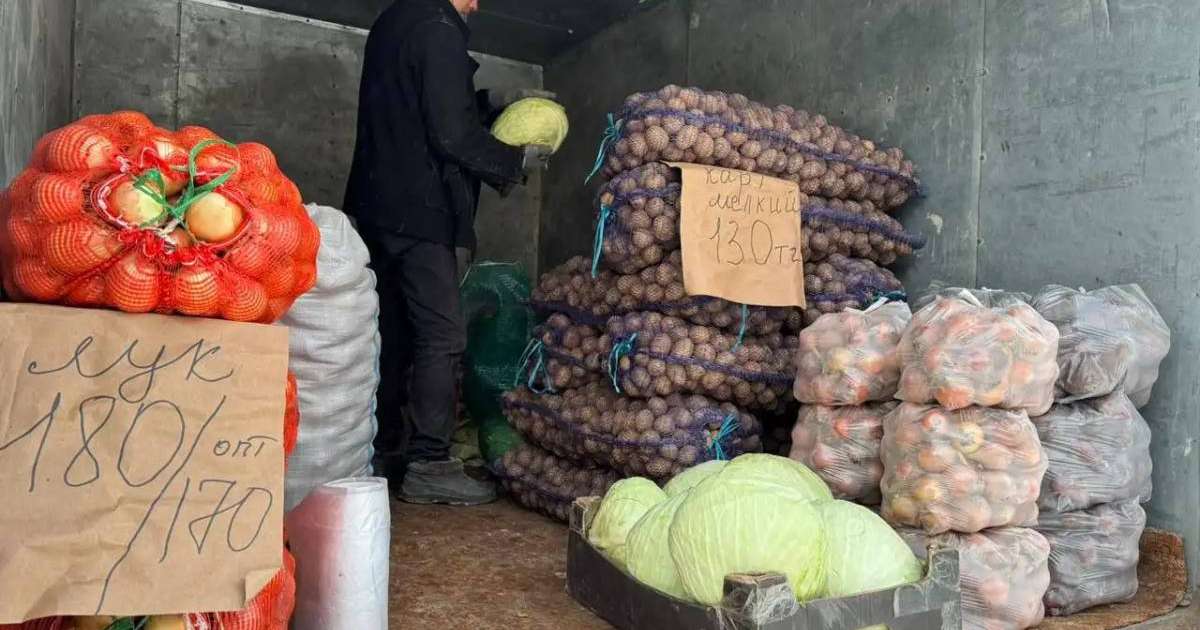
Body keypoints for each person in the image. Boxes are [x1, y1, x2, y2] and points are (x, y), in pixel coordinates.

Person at [344, 0, 553, 505]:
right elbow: (450, 134)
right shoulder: (439, 26)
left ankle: (386, 452)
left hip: (378, 205)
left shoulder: (395, 22)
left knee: (392, 332)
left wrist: (489, 101)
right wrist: (514, 159)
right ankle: (431, 463)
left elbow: (425, 106)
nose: (476, 5)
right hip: (420, 210)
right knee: (441, 334)